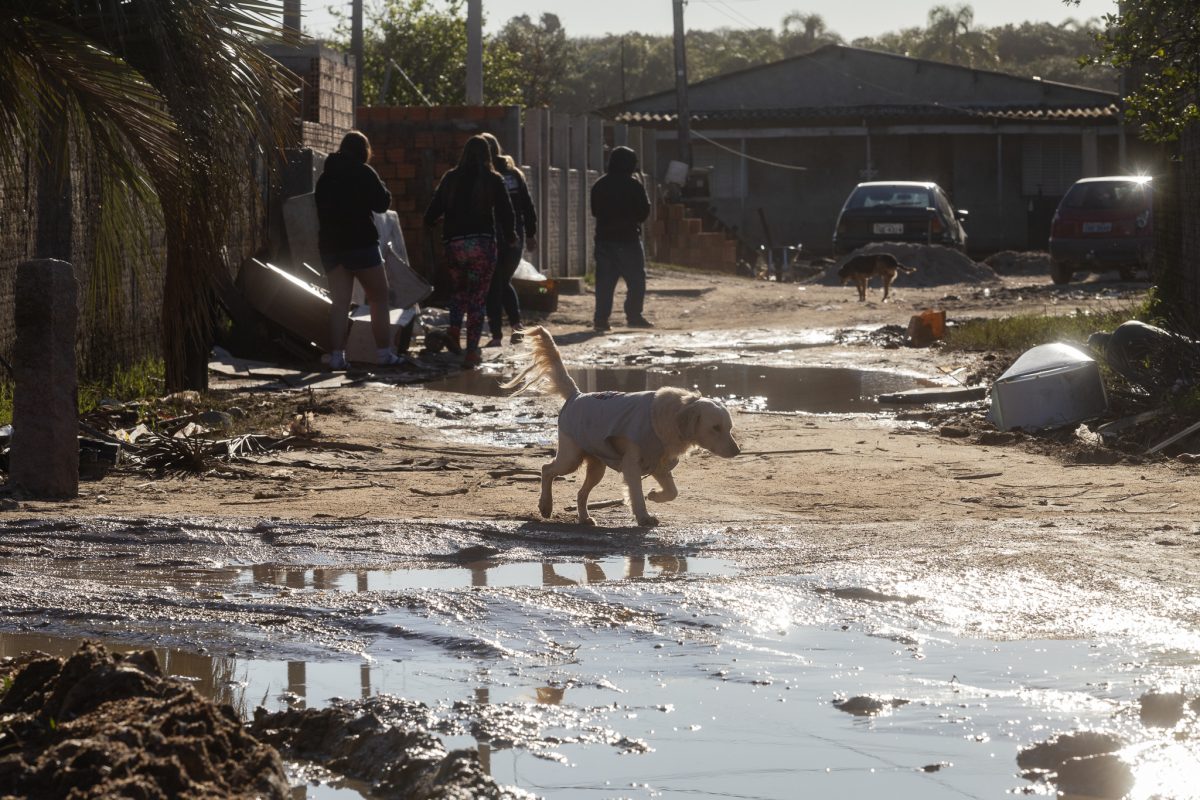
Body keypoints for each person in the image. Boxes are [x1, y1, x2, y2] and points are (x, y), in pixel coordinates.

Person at [424, 135, 517, 367]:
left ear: (463, 154)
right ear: (488, 155)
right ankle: (472, 352)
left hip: (455, 246)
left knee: (459, 291)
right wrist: (511, 235)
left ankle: (455, 331)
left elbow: (432, 213)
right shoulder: (493, 179)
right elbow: (506, 212)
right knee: (477, 298)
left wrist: (433, 224)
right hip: (482, 247)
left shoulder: (450, 178)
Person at [315, 130, 402, 370]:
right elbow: (382, 204)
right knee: (378, 297)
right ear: (364, 151)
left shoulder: (325, 177)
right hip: (361, 245)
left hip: (331, 247)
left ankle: (336, 357)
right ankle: (384, 354)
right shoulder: (364, 173)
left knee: (340, 304)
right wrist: (381, 185)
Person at [479, 132, 537, 347]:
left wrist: (530, 233)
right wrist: (530, 234)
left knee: (496, 283)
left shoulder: (486, 176)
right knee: (501, 282)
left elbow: (525, 206)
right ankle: (515, 328)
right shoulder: (513, 175)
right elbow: (528, 208)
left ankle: (497, 334)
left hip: (496, 236)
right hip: (515, 236)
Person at [591, 145, 653, 332]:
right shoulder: (634, 185)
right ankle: (634, 316)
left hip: (604, 240)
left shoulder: (600, 184)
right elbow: (644, 213)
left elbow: (595, 211)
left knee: (604, 283)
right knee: (636, 281)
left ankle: (601, 320)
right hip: (628, 240)